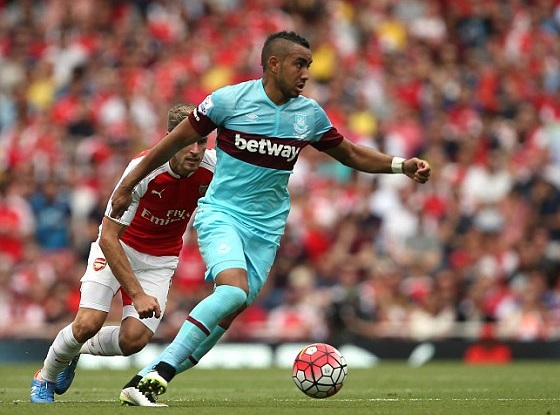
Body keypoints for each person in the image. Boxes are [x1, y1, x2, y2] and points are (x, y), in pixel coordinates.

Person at [109, 31, 431, 407]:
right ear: (274, 64)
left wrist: (400, 165)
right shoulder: (230, 100)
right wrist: (128, 182)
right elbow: (172, 142)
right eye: (299, 64)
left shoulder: (309, 115)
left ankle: (149, 378)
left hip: (266, 228)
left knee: (232, 309)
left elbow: (350, 155)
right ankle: (156, 373)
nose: (306, 73)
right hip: (222, 214)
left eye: (308, 65)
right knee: (231, 292)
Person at [30, 104, 216, 405]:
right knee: (88, 321)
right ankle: (45, 378)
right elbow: (108, 237)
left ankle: (74, 349)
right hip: (118, 248)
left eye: (202, 141)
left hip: (160, 260)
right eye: (187, 141)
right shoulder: (142, 171)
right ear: (170, 139)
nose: (195, 150)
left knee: (134, 341)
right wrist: (137, 294)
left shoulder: (212, 168)